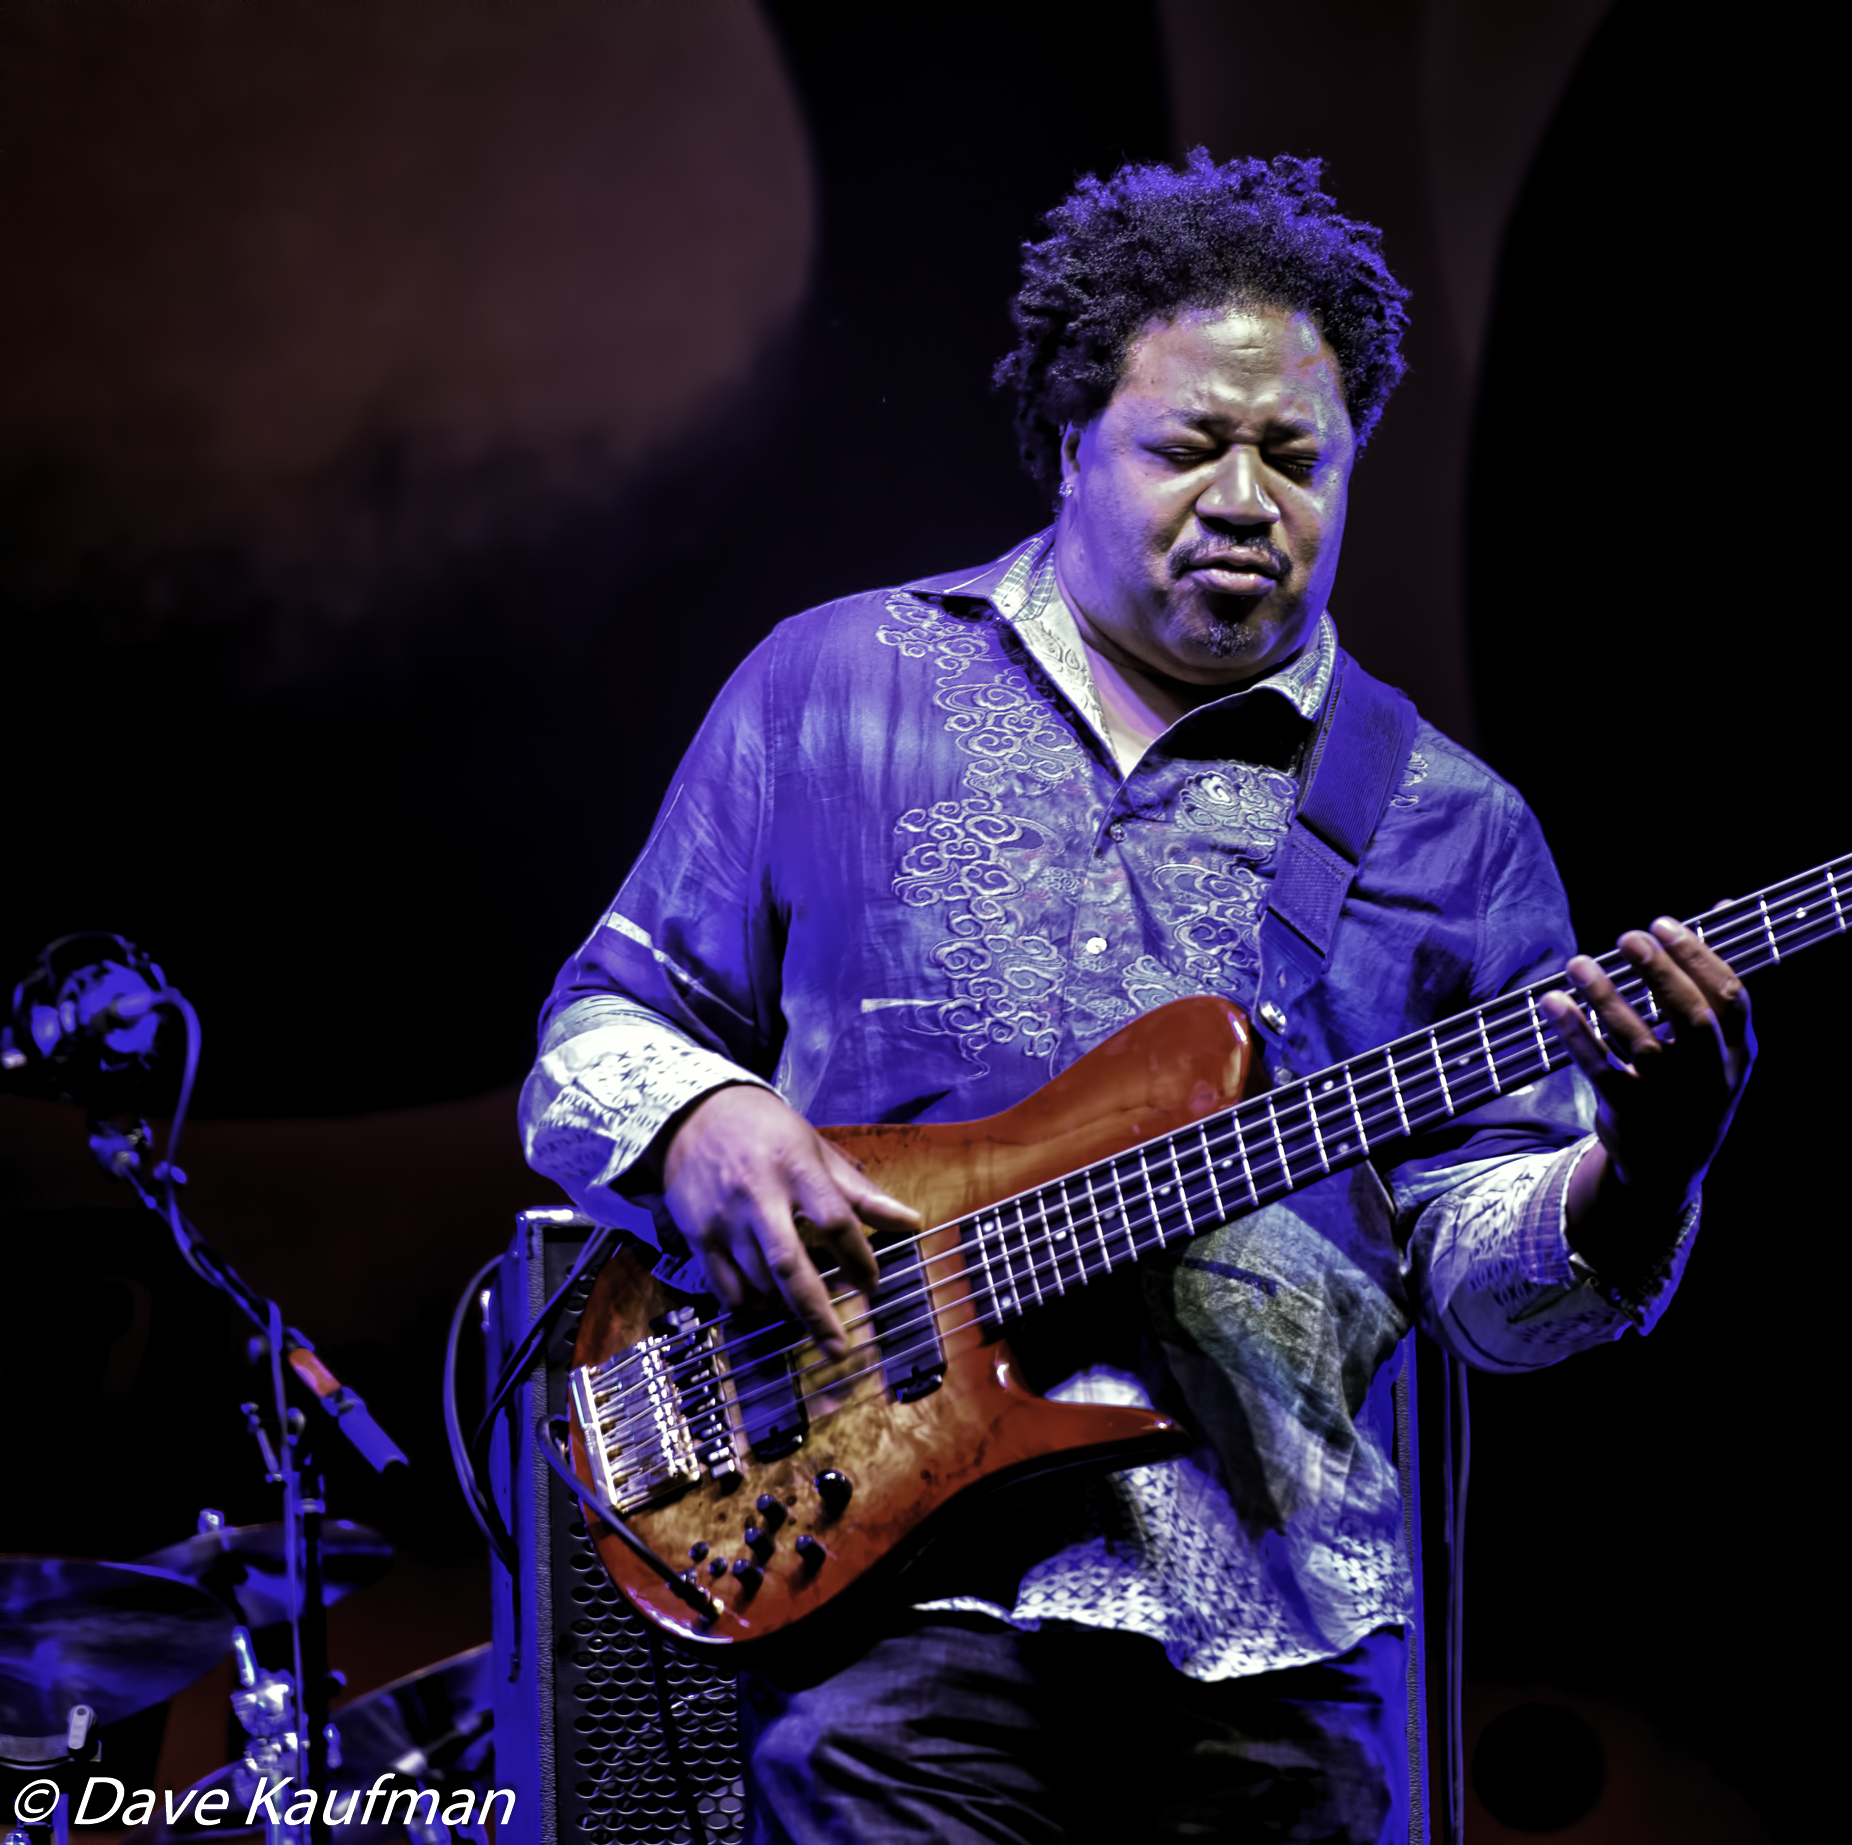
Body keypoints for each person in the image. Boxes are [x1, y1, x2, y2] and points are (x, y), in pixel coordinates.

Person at [520, 150, 1755, 1845]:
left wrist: (1650, 1166)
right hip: (896, 1591)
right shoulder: (835, 686)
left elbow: (1487, 1289)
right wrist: (703, 1116)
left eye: (1298, 457)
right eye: (1190, 446)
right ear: (1068, 446)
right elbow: (595, 1031)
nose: (1247, 496)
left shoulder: (1450, 822)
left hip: (1272, 1632)